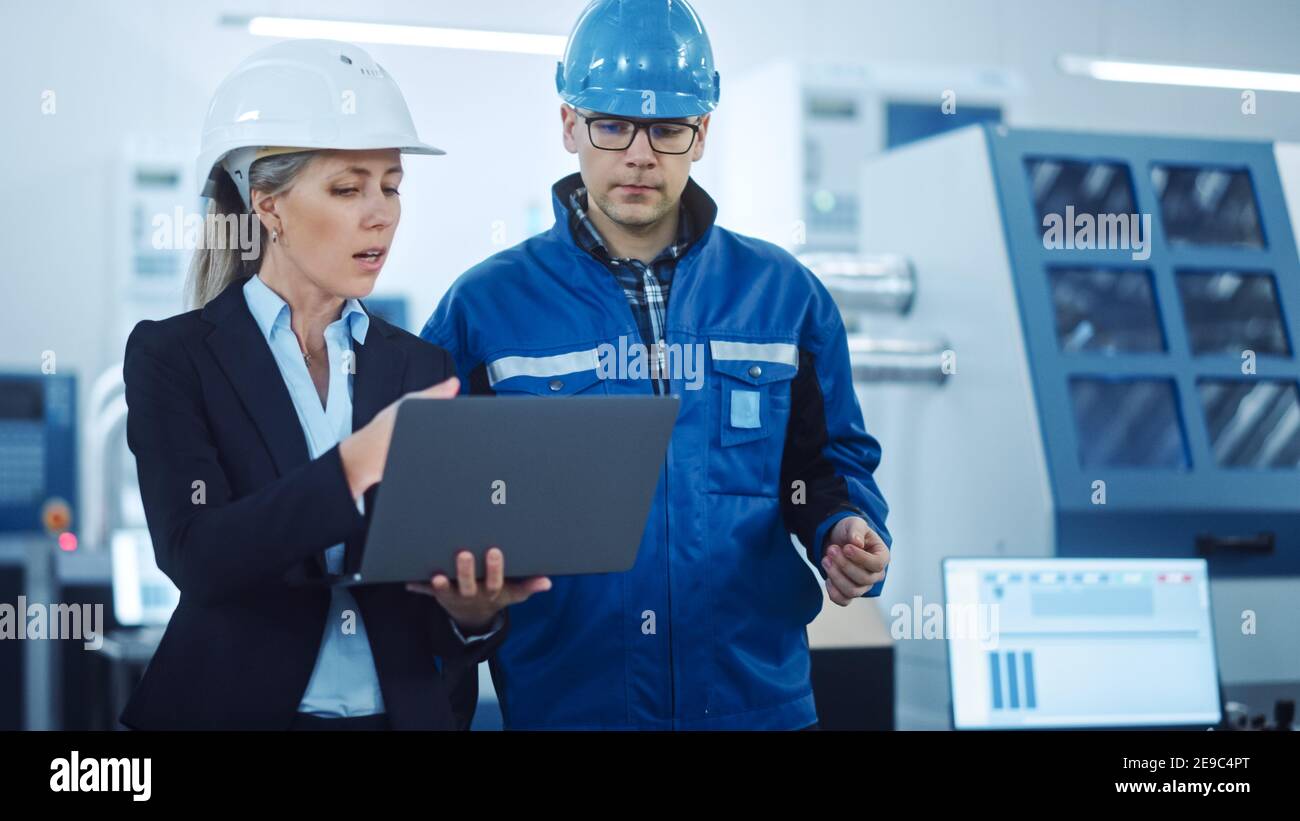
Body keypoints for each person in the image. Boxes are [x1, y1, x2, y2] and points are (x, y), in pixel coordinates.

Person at [422, 0, 891, 730]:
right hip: (571, 707)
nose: (639, 154)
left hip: (756, 706)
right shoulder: (483, 310)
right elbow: (434, 509)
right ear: (569, 123)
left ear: (701, 132)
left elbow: (827, 465)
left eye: (668, 129)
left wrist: (845, 528)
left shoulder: (784, 296)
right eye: (612, 124)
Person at [121, 39, 548, 731]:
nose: (380, 213)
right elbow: (198, 555)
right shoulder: (174, 357)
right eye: (348, 188)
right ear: (269, 208)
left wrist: (471, 614)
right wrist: (356, 464)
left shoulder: (422, 367)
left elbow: (434, 612)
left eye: (391, 186)